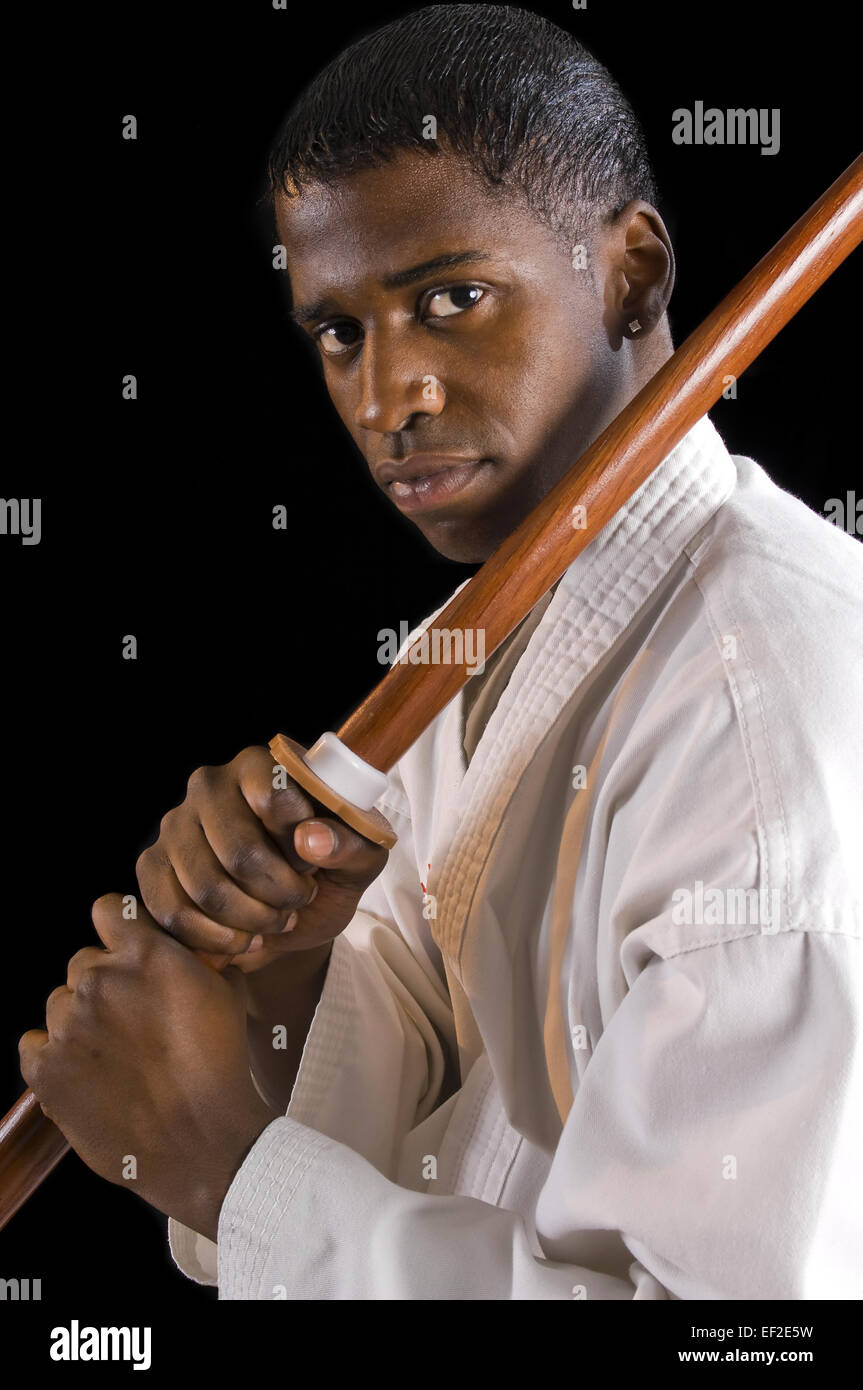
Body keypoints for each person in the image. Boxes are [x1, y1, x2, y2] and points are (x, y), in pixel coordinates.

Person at [20, 5, 862, 1299]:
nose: (386, 397)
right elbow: (428, 1132)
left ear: (632, 273)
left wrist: (234, 1171)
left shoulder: (763, 696)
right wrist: (287, 973)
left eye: (451, 298)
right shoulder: (470, 647)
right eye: (340, 331)